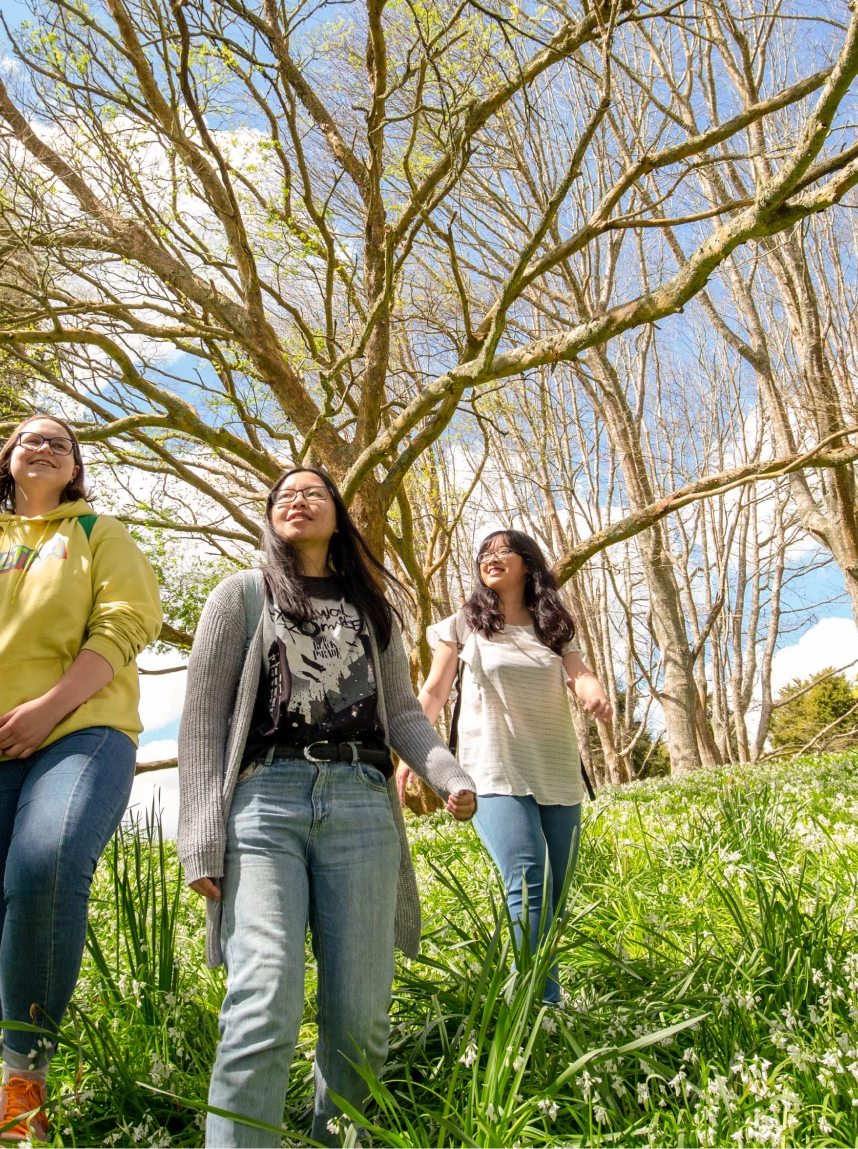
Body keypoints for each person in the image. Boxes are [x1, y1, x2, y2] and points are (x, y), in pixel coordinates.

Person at [178, 466, 478, 1149]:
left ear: (338, 514)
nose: (297, 498)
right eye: (284, 493)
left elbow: (404, 715)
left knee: (361, 1014)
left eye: (313, 491)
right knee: (263, 999)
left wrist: (449, 774)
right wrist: (200, 839)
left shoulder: (372, 609)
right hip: (265, 803)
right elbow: (201, 720)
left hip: (362, 807)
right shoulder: (240, 597)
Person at [0, 415, 163, 1142]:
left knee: (45, 867)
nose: (42, 448)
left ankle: (24, 1081)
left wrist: (48, 711)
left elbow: (128, 621)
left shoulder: (98, 535)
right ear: (6, 462)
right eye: (27, 440)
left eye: (59, 443)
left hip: (81, 730)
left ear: (74, 469)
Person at [398, 529, 612, 1006]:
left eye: (502, 550)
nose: (490, 558)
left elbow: (577, 671)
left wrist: (592, 691)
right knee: (528, 879)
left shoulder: (553, 626)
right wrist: (409, 751)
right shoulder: (461, 626)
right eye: (484, 553)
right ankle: (538, 1008)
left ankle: (537, 998)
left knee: (552, 899)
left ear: (528, 564)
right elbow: (434, 691)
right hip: (491, 768)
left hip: (555, 769)